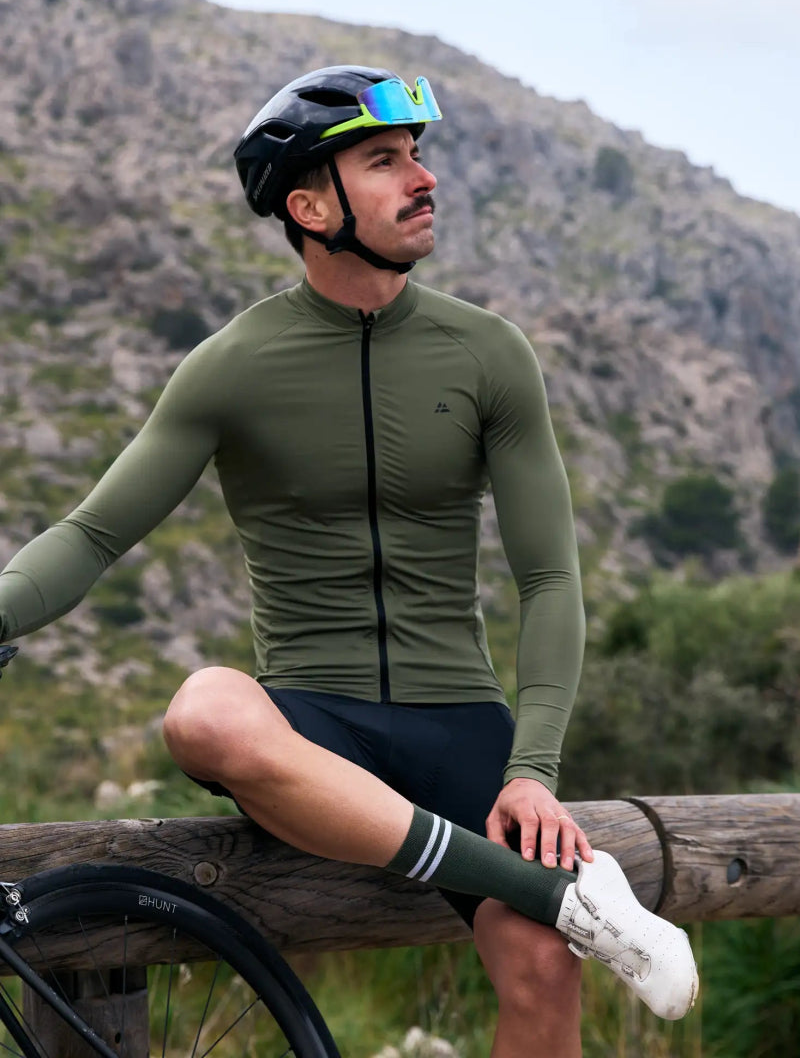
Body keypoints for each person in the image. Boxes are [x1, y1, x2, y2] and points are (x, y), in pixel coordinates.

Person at [0, 65, 698, 1054]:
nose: (424, 179)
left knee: (542, 967)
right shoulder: (232, 366)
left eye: (419, 156)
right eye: (385, 161)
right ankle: (559, 894)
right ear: (309, 204)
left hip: (460, 728)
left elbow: (548, 578)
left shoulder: (489, 353)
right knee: (203, 710)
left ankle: (551, 906)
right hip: (312, 726)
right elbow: (91, 534)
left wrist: (533, 771)